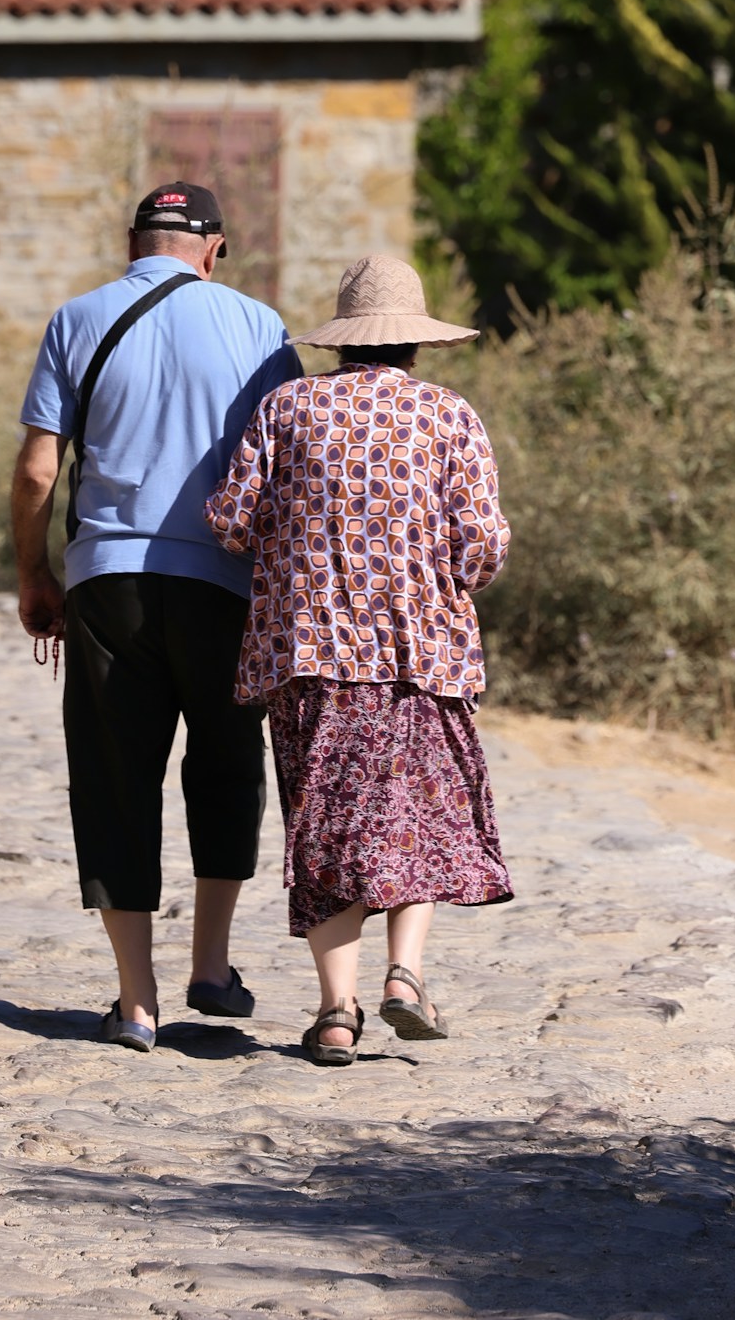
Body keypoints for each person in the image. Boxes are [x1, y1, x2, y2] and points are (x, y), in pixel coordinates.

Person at [204, 252, 512, 1068]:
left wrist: (295, 545)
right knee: (415, 819)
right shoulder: (449, 417)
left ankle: (336, 1012)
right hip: (422, 655)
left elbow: (231, 521)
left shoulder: (287, 409)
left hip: (311, 655)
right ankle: (405, 975)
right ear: (416, 344)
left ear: (344, 339)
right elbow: (480, 547)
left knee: (325, 828)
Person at [12, 179, 299, 1050]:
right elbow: (288, 469)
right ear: (212, 248)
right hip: (223, 584)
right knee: (226, 763)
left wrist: (35, 575)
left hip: (108, 581)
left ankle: (136, 1001)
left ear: (131, 241)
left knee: (113, 777)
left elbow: (36, 471)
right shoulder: (259, 327)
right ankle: (210, 963)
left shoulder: (76, 317)